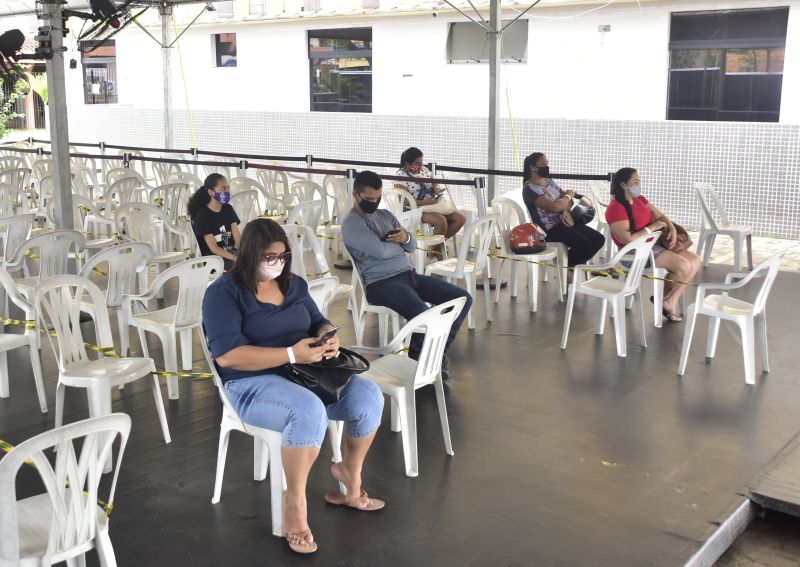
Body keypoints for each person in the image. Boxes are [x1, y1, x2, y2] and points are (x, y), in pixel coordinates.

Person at [202, 219, 385, 555]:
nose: (277, 263)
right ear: (249, 255)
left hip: (305, 373)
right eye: (269, 256)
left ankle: (350, 473)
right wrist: (289, 352)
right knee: (307, 410)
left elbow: (318, 320)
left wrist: (328, 337)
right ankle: (294, 501)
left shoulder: (294, 285)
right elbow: (228, 357)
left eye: (282, 256)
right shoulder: (223, 293)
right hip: (250, 383)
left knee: (368, 396)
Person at [341, 170, 472, 379]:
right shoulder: (352, 223)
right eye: (369, 199)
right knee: (422, 314)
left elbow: (411, 246)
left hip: (407, 275)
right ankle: (420, 358)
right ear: (356, 195)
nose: (374, 203)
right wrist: (401, 243)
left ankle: (435, 352)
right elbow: (381, 252)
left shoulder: (385, 215)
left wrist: (404, 239)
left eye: (377, 198)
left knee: (462, 298)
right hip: (381, 283)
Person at [605, 168, 701, 323]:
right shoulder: (615, 208)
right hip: (634, 252)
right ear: (623, 185)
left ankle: (668, 300)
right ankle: (667, 302)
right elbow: (629, 239)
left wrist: (672, 229)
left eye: (639, 181)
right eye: (635, 182)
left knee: (695, 261)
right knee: (683, 267)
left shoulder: (640, 199)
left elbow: (660, 215)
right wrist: (652, 227)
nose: (639, 185)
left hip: (654, 244)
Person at [521, 152, 605, 281]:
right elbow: (556, 207)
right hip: (549, 229)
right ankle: (565, 270)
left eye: (547, 164)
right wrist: (566, 198)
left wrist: (565, 200)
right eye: (543, 164)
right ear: (532, 168)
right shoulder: (530, 189)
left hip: (564, 221)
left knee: (598, 239)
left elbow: (566, 202)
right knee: (584, 243)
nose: (546, 167)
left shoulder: (548, 181)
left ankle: (567, 267)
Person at [396, 147, 466, 240]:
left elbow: (434, 182)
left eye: (421, 163)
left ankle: (433, 249)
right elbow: (404, 201)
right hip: (414, 209)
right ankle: (437, 251)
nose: (420, 166)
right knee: (441, 221)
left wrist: (437, 189)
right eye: (417, 163)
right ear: (407, 163)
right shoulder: (401, 175)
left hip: (431, 205)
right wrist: (425, 202)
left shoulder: (424, 170)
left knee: (460, 218)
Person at [188, 173, 241, 270]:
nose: (227, 192)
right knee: (244, 269)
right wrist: (235, 258)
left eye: (228, 188)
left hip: (231, 255)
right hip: (214, 260)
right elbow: (213, 248)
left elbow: (238, 237)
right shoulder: (202, 215)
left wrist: (246, 253)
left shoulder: (228, 209)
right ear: (211, 192)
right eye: (223, 189)